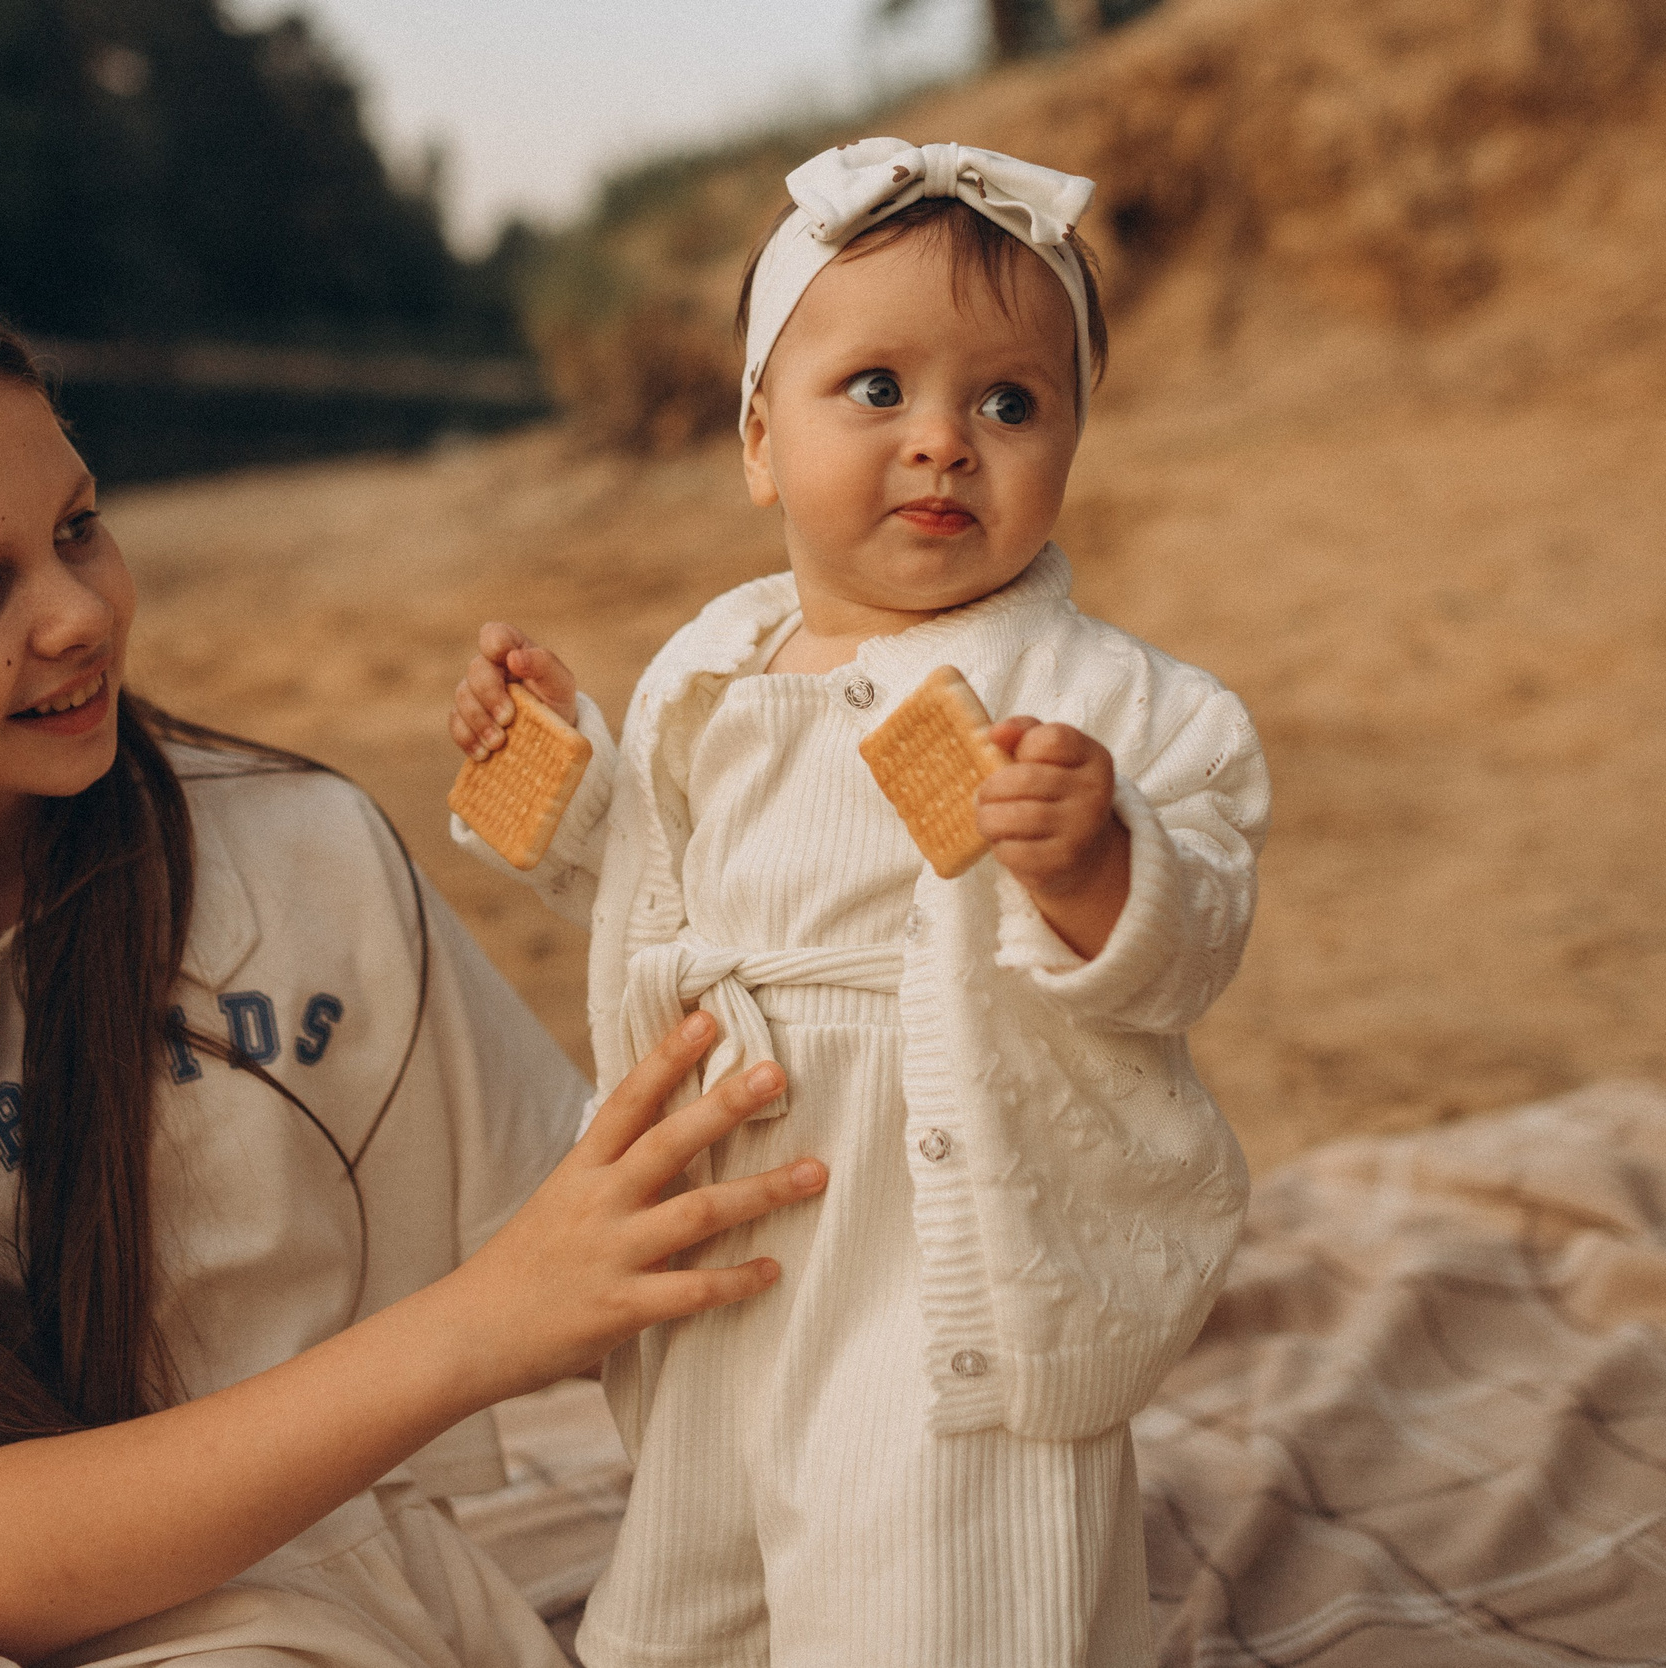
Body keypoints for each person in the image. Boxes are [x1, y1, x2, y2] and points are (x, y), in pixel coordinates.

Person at [0, 269, 833, 1668]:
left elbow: (603, 1236)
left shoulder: (299, 860)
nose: (75, 612)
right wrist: (469, 1336)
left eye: (77, 529)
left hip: (273, 1582)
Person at [446, 140, 1270, 1666]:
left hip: (934, 1215)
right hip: (735, 1193)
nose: (945, 441)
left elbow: (1195, 933)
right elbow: (669, 887)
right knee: (706, 1548)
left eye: (1009, 402)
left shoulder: (1105, 703)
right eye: (878, 390)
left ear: (1074, 442)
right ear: (761, 441)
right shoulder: (716, 661)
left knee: (937, 1551)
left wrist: (1100, 863)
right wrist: (554, 783)